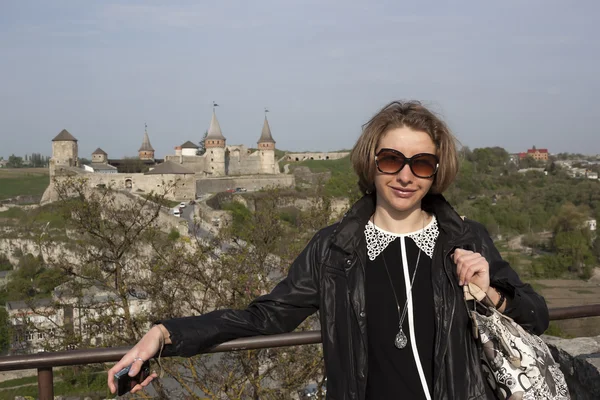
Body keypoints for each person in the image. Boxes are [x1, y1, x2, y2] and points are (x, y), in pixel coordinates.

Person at [108, 101, 549, 399]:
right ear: (371, 163)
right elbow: (265, 316)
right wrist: (166, 334)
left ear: (437, 172)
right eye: (391, 160)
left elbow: (538, 315)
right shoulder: (333, 251)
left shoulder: (467, 239)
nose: (405, 175)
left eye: (422, 164)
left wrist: (490, 294)